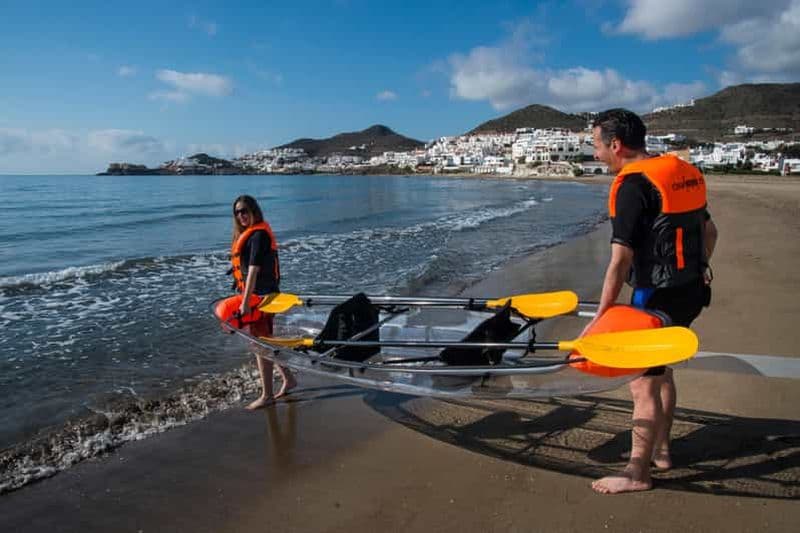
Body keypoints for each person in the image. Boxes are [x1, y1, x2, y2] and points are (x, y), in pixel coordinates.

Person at [585, 109, 718, 494]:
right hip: (691, 291)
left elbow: (620, 261)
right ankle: (661, 450)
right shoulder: (680, 171)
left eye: (596, 146)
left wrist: (601, 314)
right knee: (662, 371)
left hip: (655, 296)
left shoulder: (633, 185)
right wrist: (700, 267)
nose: (595, 155)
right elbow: (710, 231)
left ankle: (637, 473)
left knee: (642, 385)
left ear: (615, 145)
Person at [229, 194, 296, 409]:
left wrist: (245, 301)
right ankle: (289, 379)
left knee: (260, 345)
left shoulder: (258, 236)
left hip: (263, 298)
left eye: (244, 211)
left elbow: (253, 271)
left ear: (254, 210)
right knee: (265, 342)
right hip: (257, 295)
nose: (241, 215)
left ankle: (267, 395)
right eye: (237, 212)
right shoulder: (250, 235)